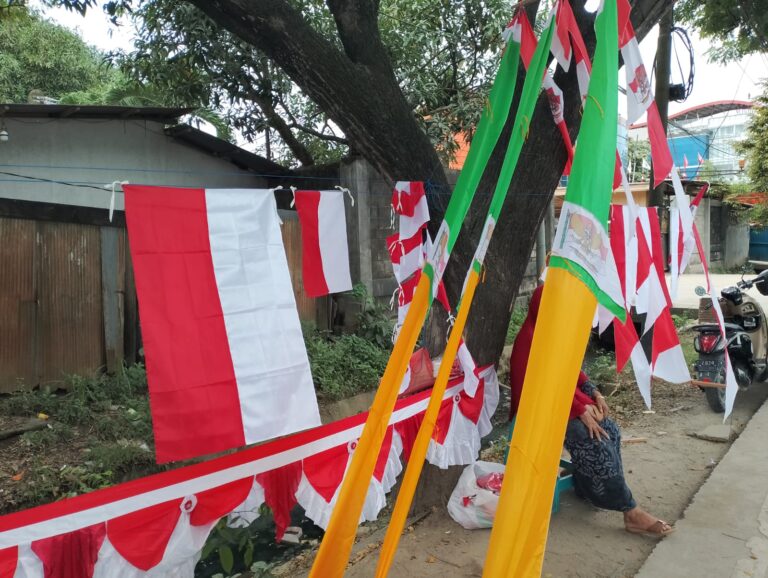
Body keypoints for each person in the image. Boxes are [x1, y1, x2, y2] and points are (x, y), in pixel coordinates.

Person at [508, 284, 674, 537]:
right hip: (538, 412)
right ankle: (631, 512)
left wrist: (594, 393)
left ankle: (587, 488)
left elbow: (570, 371)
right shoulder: (530, 339)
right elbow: (542, 386)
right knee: (596, 439)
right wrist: (579, 410)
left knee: (610, 429)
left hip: (561, 405)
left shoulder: (552, 334)